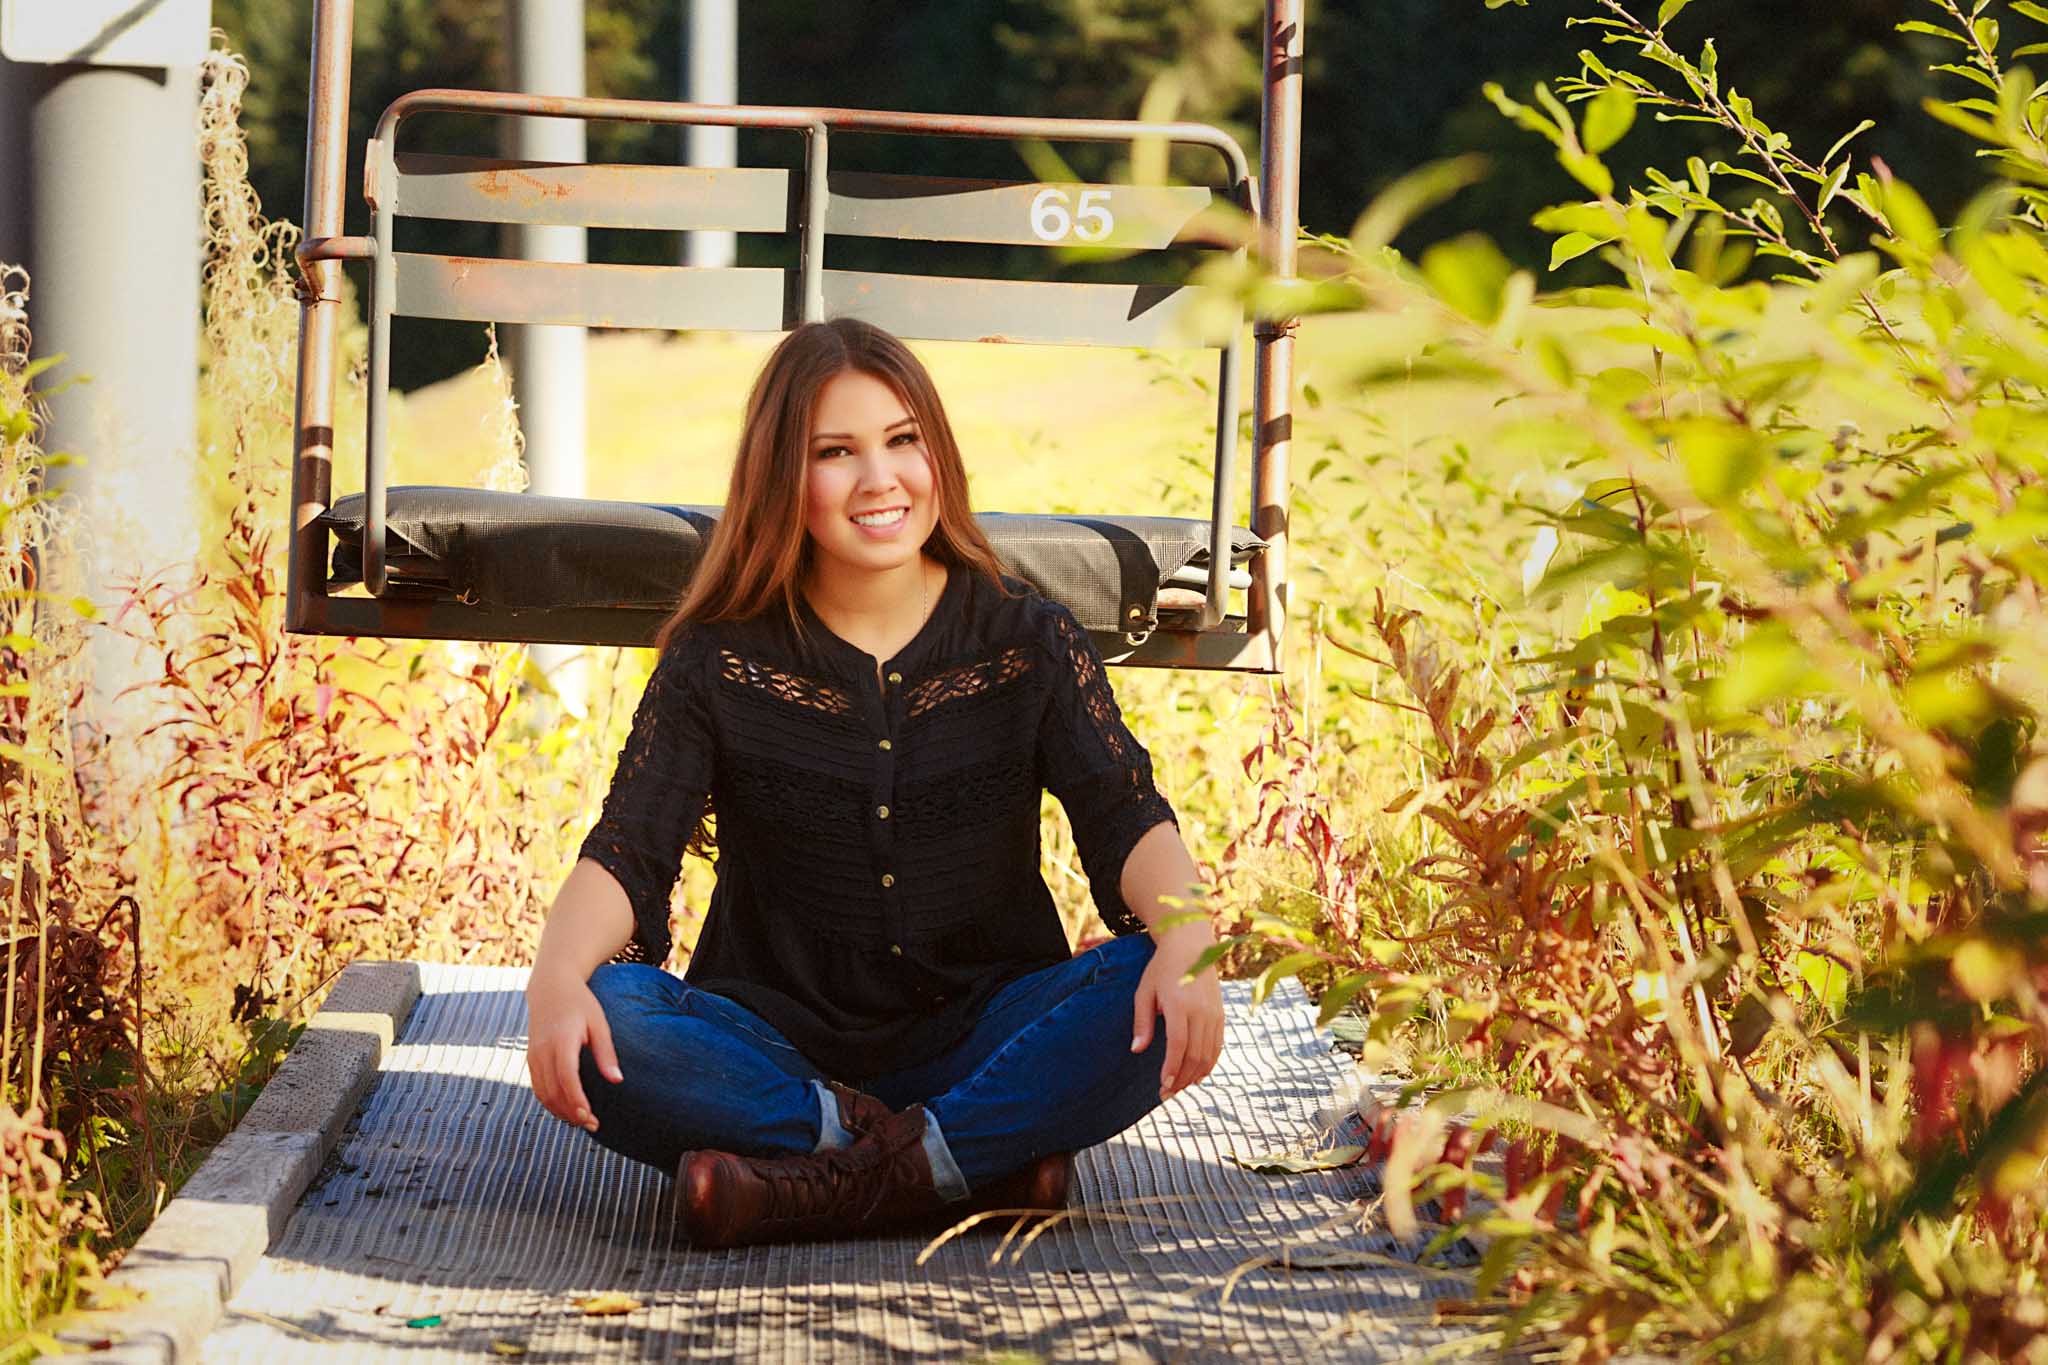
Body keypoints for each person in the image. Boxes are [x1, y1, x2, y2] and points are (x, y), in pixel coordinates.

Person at [523, 318, 1226, 1249]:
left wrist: (1189, 939)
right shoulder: (719, 659)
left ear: (938, 453)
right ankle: (955, 1160)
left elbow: (1125, 812)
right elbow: (629, 847)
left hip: (987, 1036)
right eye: (836, 452)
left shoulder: (1026, 639)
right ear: (783, 474)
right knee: (609, 1018)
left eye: (902, 440)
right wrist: (554, 978)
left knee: (1153, 979)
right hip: (774, 1052)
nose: (880, 478)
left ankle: (810, 1181)